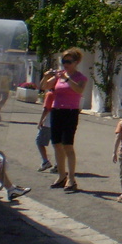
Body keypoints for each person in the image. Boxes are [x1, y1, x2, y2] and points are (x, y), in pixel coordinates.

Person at [39, 48, 88, 192]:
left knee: (68, 145)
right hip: (57, 111)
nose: (65, 64)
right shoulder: (59, 76)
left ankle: (71, 179)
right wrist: (46, 76)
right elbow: (44, 86)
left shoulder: (80, 77)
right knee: (57, 144)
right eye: (63, 61)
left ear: (76, 62)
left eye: (68, 61)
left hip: (70, 113)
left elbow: (79, 90)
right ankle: (61, 176)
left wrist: (67, 78)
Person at [35, 80, 55, 172]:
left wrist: (40, 121)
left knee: (39, 141)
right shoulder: (61, 94)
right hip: (58, 121)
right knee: (57, 144)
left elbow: (46, 109)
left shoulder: (50, 94)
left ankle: (45, 161)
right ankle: (58, 164)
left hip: (48, 122)